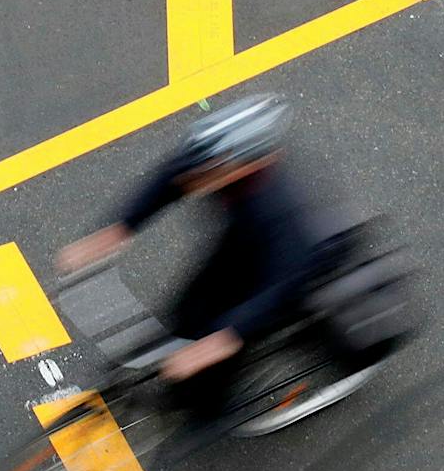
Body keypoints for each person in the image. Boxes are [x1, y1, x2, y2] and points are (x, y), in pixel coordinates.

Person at [56, 93, 342, 409]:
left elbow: (279, 291)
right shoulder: (214, 160)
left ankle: (209, 410)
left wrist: (219, 342)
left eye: (211, 169)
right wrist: (120, 228)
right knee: (189, 311)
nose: (197, 175)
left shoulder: (280, 213)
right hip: (246, 243)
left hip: (286, 275)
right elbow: (173, 178)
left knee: (218, 355)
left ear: (248, 166)